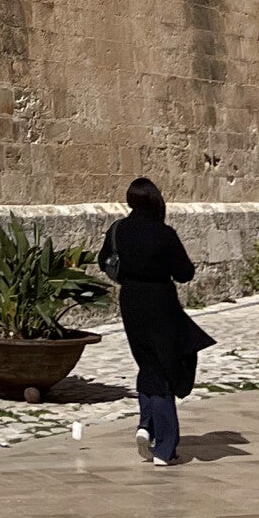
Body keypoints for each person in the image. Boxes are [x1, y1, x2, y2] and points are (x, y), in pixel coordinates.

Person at [99, 177, 213, 468]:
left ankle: (146, 425)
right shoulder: (163, 234)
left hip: (131, 301)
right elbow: (185, 273)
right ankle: (165, 448)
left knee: (148, 362)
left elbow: (104, 261)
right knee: (164, 366)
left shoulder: (118, 230)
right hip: (160, 302)